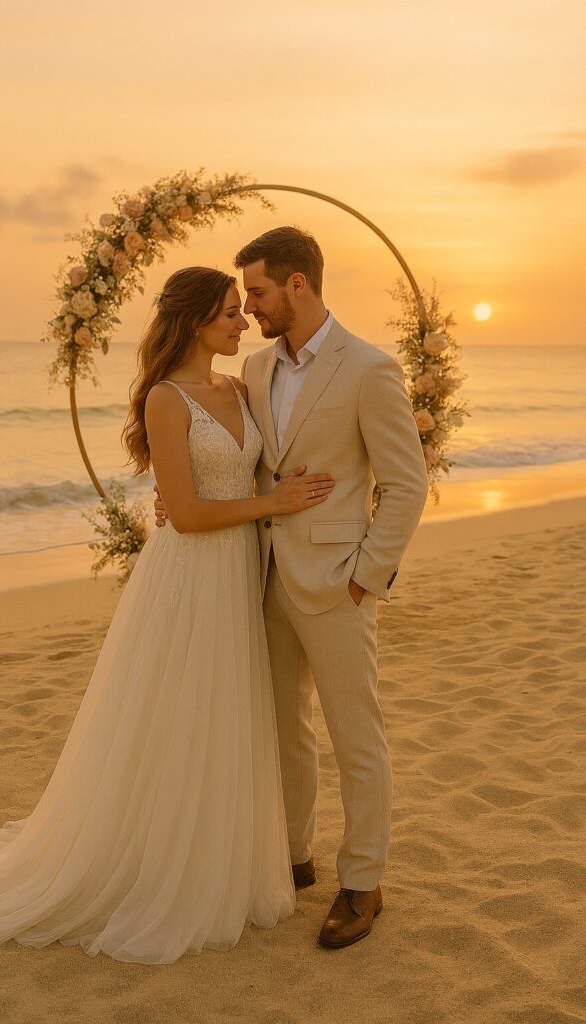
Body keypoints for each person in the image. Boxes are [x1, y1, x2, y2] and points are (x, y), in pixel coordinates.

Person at [0, 266, 337, 965]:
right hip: (190, 576)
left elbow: (250, 476)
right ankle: (159, 864)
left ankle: (220, 854)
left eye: (244, 311)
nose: (242, 324)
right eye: (230, 313)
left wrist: (286, 495)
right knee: (177, 714)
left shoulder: (239, 388)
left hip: (241, 572)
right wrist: (273, 506)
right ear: (196, 320)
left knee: (227, 715)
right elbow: (188, 512)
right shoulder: (165, 400)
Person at [155, 228, 429, 948]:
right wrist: (178, 502)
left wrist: (366, 579)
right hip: (262, 576)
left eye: (257, 292)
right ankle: (295, 855)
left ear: (297, 286)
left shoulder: (368, 369)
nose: (249, 307)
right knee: (282, 729)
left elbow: (406, 484)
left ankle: (363, 881)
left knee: (354, 736)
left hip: (337, 583)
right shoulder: (252, 368)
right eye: (245, 296)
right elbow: (243, 467)